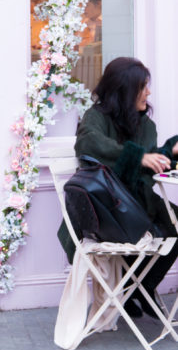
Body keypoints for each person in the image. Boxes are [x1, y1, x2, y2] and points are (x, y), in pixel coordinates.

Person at [67, 57, 178, 316]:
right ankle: (134, 288)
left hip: (135, 202)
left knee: (175, 222)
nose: (148, 93)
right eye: (142, 87)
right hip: (105, 208)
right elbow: (88, 144)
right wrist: (138, 157)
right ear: (125, 90)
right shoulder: (95, 117)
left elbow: (146, 164)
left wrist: (170, 151)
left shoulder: (144, 124)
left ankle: (140, 286)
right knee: (160, 225)